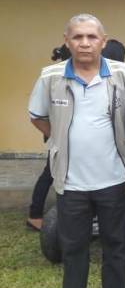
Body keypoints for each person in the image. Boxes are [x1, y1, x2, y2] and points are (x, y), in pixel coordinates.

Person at [28, 14, 125, 288]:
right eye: (78, 37)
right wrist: (59, 137)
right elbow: (37, 116)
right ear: (67, 41)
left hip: (115, 180)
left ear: (103, 41)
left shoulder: (123, 75)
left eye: (92, 37)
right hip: (71, 183)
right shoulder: (50, 77)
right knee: (73, 250)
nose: (85, 43)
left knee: (116, 249)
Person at [26, 44, 72, 232]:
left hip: (59, 133)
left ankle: (35, 214)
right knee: (50, 173)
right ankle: (35, 215)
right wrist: (56, 135)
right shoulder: (55, 78)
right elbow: (37, 114)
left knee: (50, 173)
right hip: (57, 135)